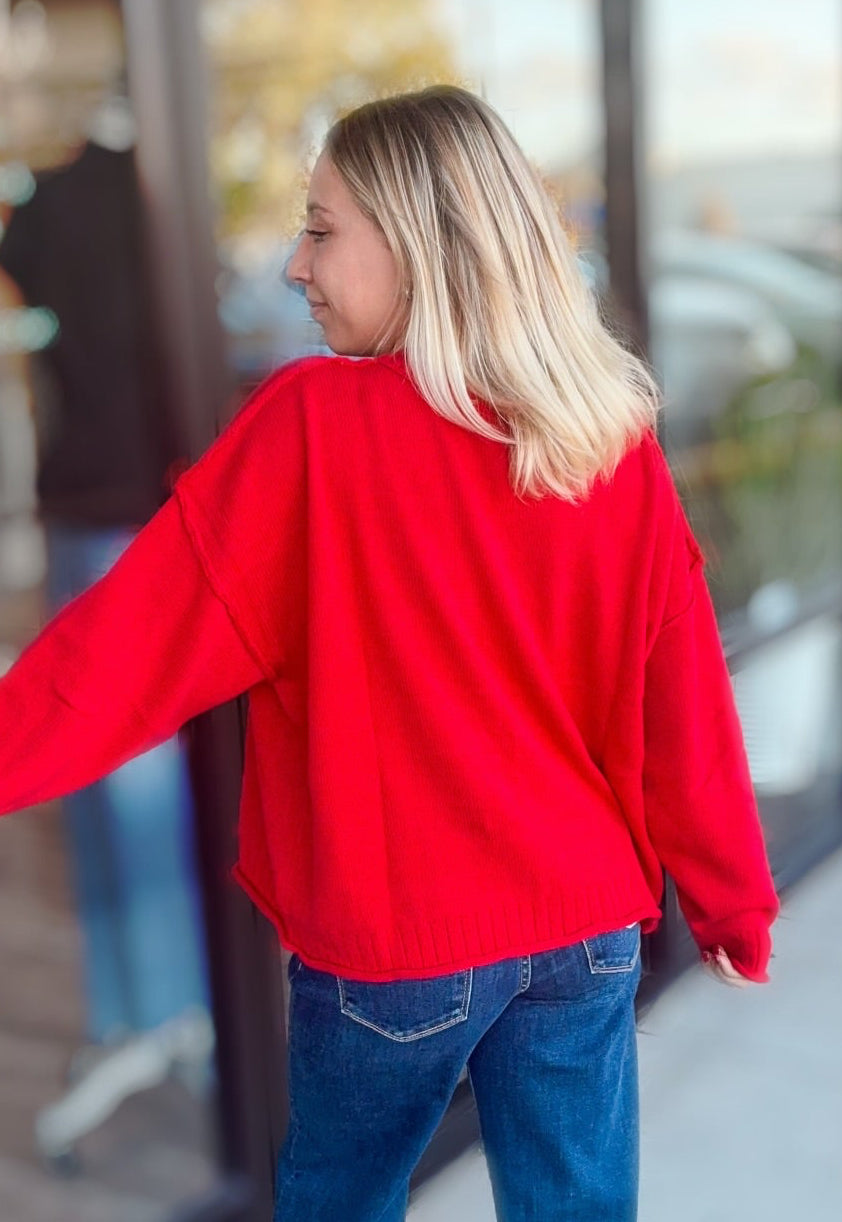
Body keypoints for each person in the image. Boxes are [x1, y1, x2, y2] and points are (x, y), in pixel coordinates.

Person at [0, 85, 779, 1220]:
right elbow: (685, 697)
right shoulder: (602, 433)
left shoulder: (312, 425)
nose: (293, 266)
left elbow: (124, 657)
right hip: (585, 930)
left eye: (320, 229)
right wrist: (731, 900)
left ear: (420, 242)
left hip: (397, 950)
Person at [0, 97, 211, 1100]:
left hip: (94, 507)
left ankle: (146, 1004)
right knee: (126, 772)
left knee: (113, 770)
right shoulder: (142, 200)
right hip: (135, 511)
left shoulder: (57, 201)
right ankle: (162, 1006)